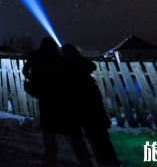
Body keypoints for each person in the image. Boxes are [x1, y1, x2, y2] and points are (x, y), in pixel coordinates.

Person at [23, 38, 92, 167]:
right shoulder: (59, 60)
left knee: (49, 134)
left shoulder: (37, 58)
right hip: (64, 100)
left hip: (47, 101)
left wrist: (33, 80)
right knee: (74, 134)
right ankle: (85, 162)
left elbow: (25, 70)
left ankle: (50, 161)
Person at [61, 43, 120, 166]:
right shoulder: (87, 78)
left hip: (78, 112)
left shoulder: (65, 73)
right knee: (101, 139)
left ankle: (95, 162)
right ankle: (110, 162)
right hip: (94, 113)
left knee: (83, 138)